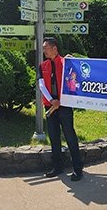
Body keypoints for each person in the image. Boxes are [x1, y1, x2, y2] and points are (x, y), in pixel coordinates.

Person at [39, 37, 84, 181]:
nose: (44, 50)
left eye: (46, 47)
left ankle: (78, 169)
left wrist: (74, 61)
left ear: (54, 49)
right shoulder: (42, 65)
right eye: (43, 48)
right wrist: (52, 101)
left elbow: (78, 76)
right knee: (54, 137)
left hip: (65, 106)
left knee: (70, 136)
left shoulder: (66, 62)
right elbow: (41, 85)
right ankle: (57, 166)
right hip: (50, 107)